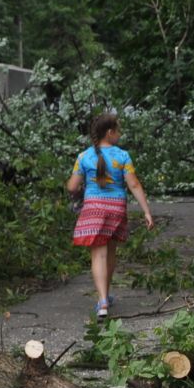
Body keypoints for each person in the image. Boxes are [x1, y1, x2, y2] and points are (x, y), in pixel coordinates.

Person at [68, 113, 153, 320]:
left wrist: (81, 189)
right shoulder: (122, 156)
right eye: (118, 130)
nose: (120, 134)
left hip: (94, 208)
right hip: (116, 208)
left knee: (99, 254)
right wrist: (146, 211)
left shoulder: (84, 156)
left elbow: (72, 186)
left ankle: (103, 301)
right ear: (110, 132)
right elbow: (134, 184)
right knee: (111, 251)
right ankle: (105, 296)